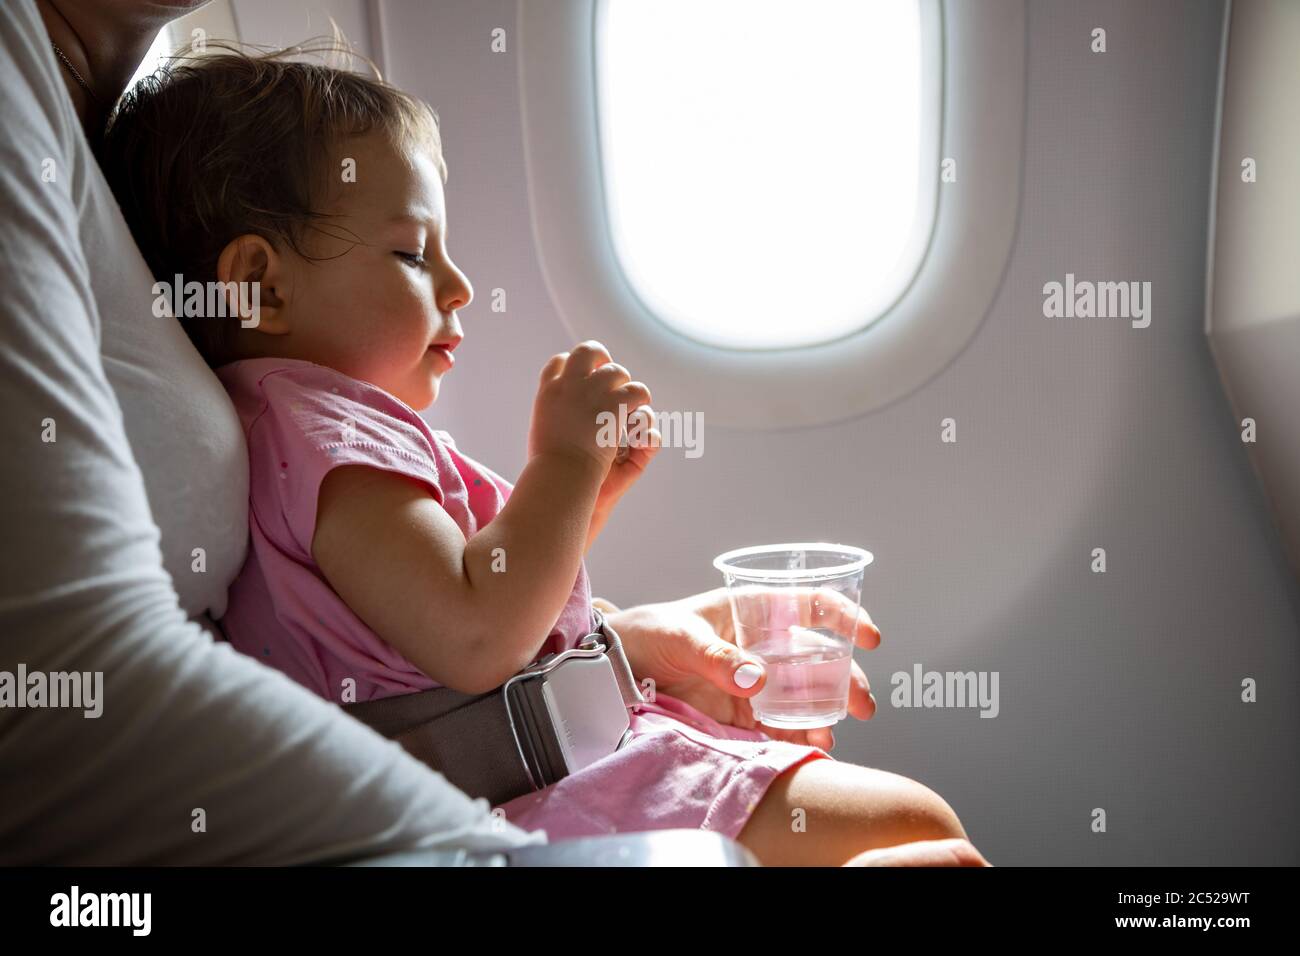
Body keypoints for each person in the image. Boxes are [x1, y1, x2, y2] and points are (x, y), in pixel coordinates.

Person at [0, 0, 988, 867]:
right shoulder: (326, 434)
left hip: (527, 747)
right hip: (523, 788)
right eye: (409, 252)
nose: (459, 287)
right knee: (909, 822)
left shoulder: (310, 426)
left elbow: (435, 623)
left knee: (902, 824)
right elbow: (474, 632)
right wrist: (558, 463)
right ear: (259, 281)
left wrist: (583, 507)